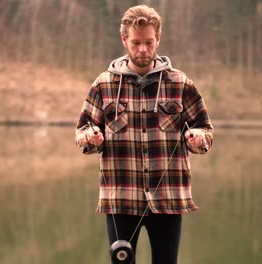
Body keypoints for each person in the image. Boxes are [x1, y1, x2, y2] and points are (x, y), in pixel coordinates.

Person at [75, 5, 214, 264]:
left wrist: (196, 137)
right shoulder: (103, 84)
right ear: (124, 39)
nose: (142, 49)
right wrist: (91, 138)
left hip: (169, 199)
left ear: (158, 39)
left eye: (149, 42)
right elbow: (82, 132)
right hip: (120, 199)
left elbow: (205, 130)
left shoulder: (180, 83)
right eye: (136, 42)